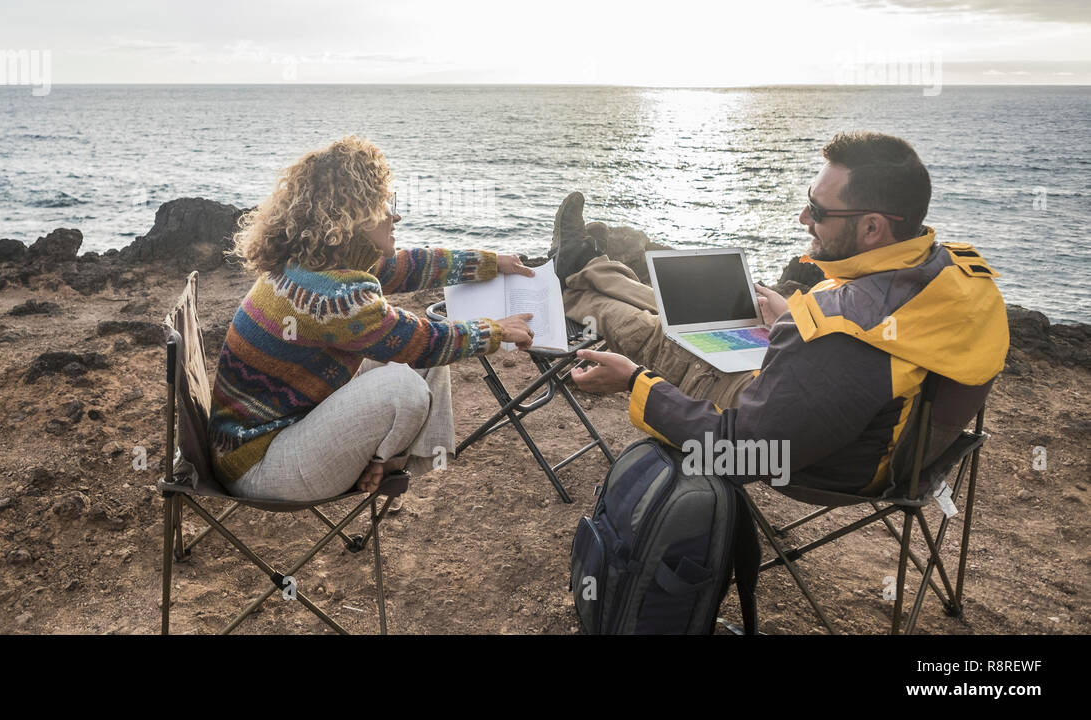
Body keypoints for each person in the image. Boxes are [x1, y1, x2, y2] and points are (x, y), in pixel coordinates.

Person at [561, 131, 1010, 493]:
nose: (802, 218)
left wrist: (633, 382)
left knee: (659, 335)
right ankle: (589, 265)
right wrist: (794, 315)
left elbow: (743, 456)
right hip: (887, 442)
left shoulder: (837, 333)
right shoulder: (958, 270)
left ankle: (572, 281)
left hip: (824, 463)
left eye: (817, 209)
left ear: (873, 227)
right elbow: (870, 343)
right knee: (685, 314)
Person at [210, 135, 536, 502]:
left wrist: (491, 263)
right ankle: (382, 462)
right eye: (384, 203)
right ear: (353, 217)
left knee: (424, 368)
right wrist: (496, 330)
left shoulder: (316, 262)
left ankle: (390, 462)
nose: (395, 214)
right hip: (261, 465)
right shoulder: (332, 296)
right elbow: (423, 342)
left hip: (279, 430)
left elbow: (409, 267)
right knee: (407, 385)